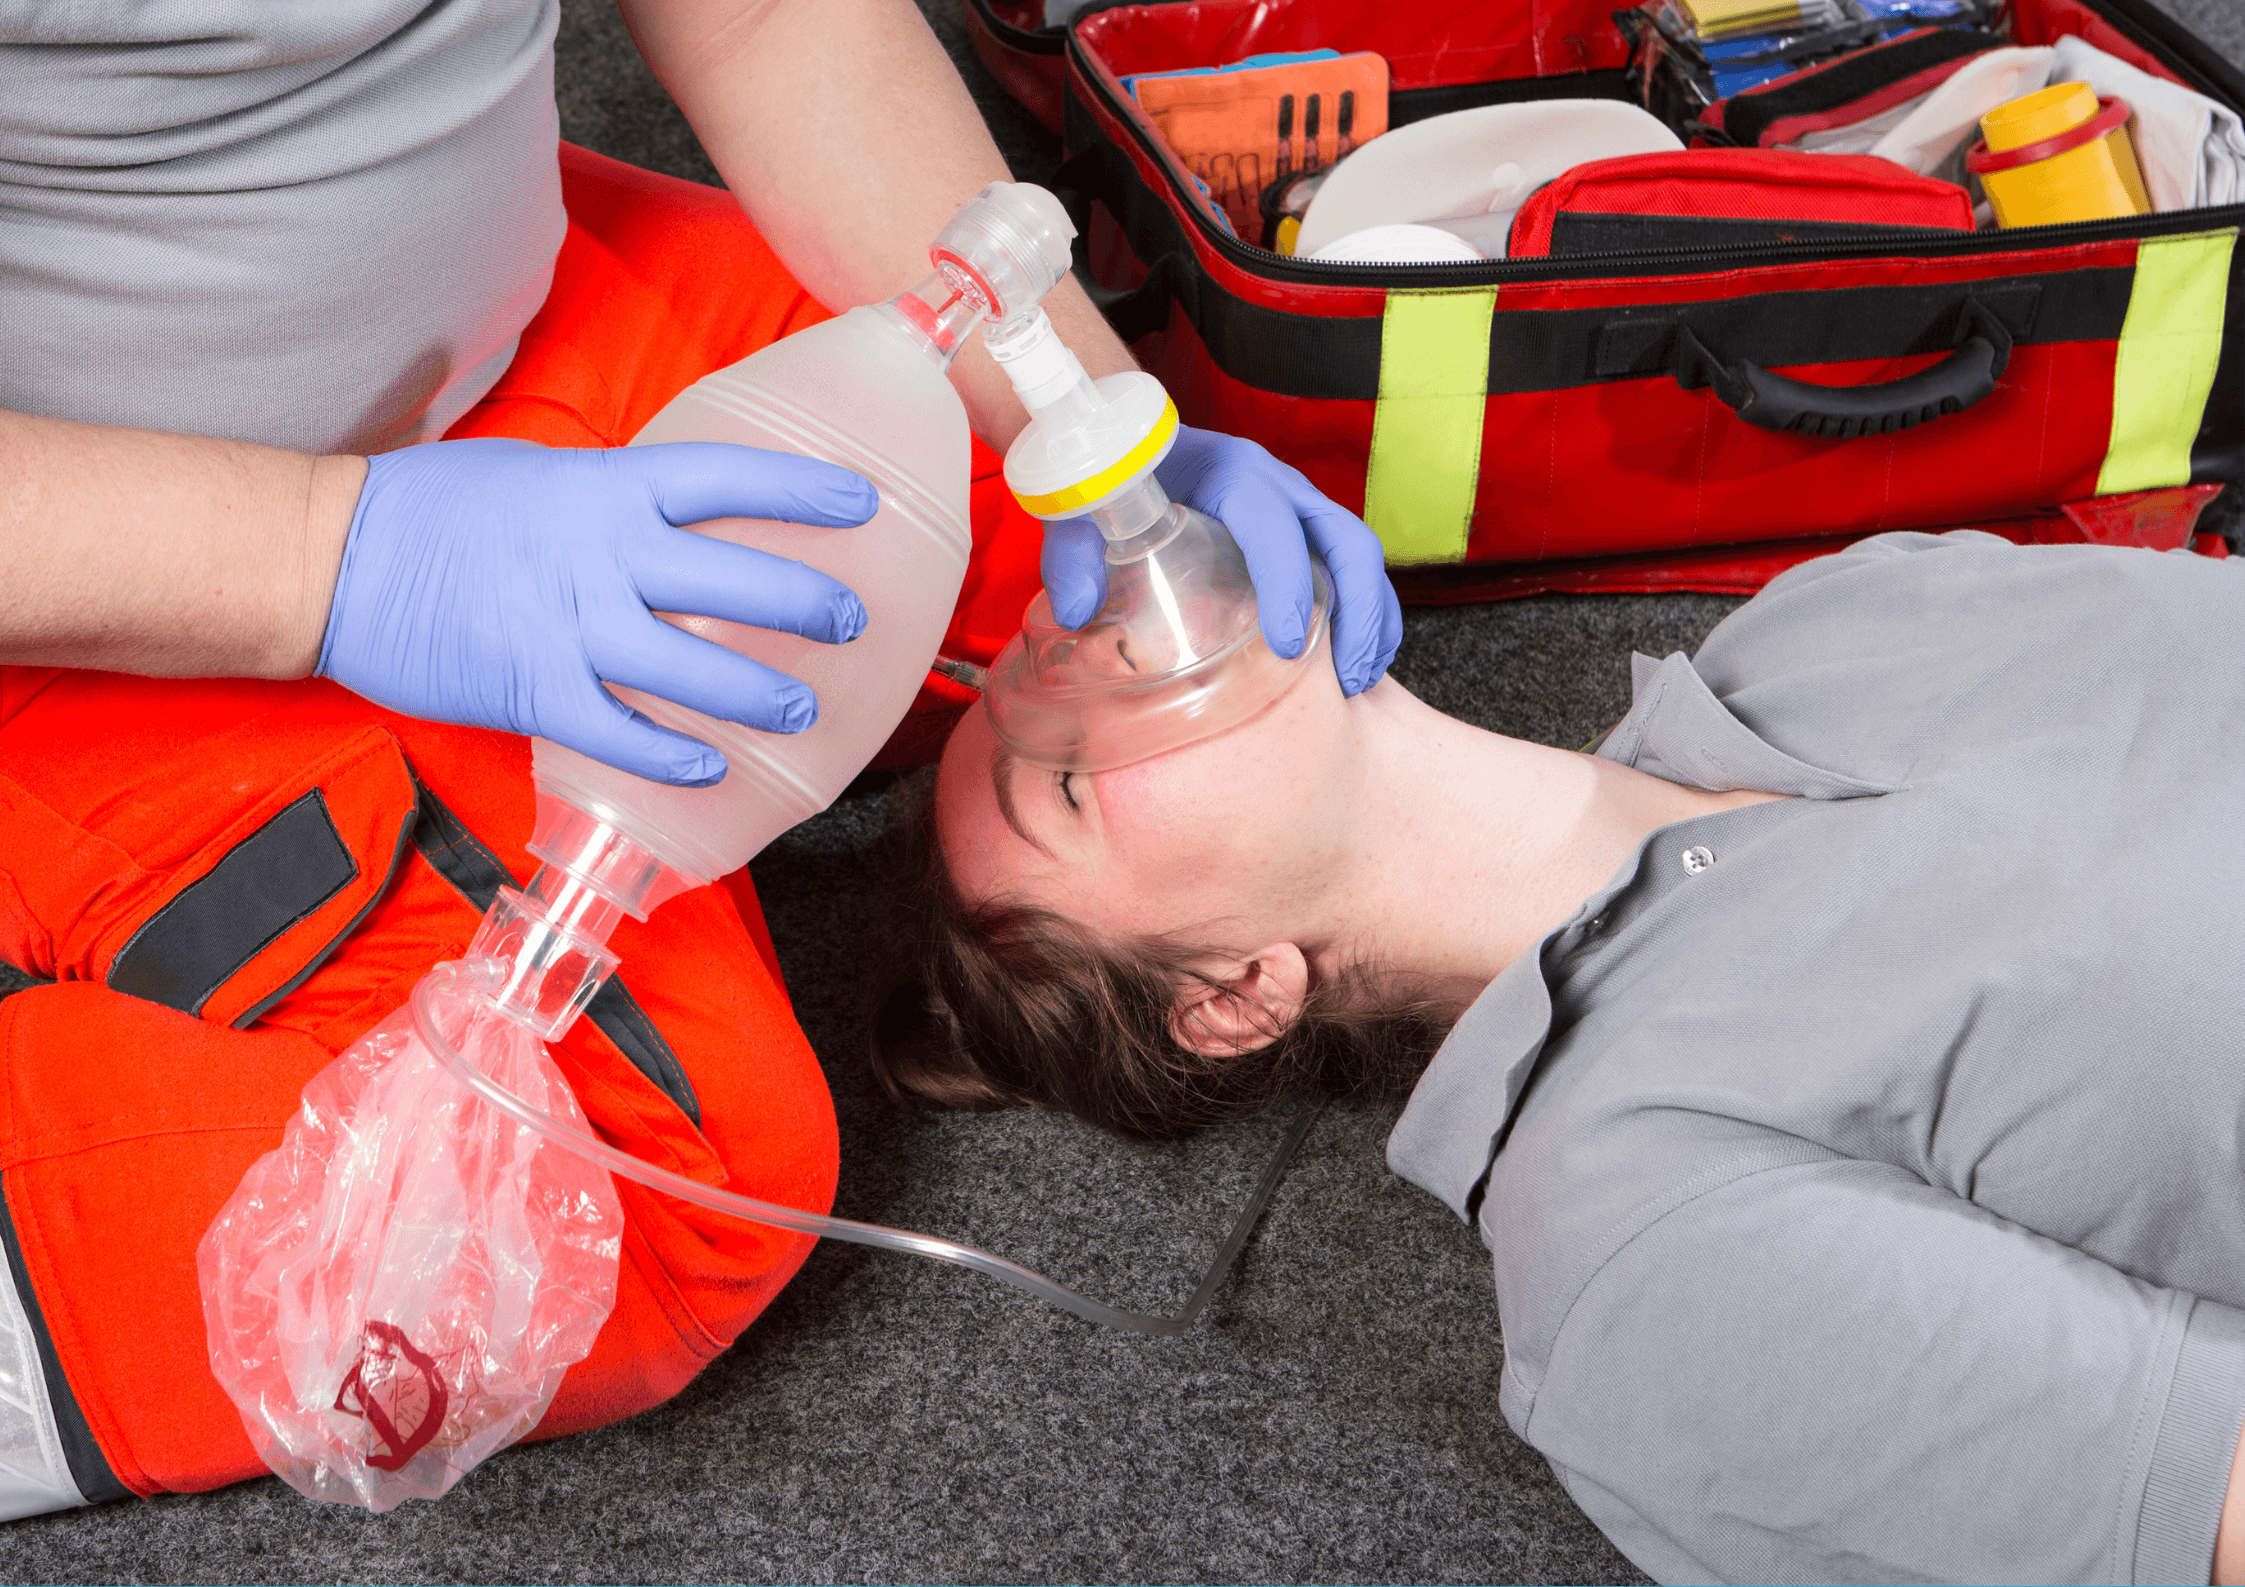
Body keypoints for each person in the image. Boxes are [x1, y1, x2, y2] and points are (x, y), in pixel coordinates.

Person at [0, 0, 1401, 1517]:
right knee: (601, 1194)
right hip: (101, 562)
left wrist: (1075, 402)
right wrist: (329, 566)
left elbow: (759, 18)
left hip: (492, 310)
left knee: (1077, 555)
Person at [891, 528, 2245, 1586]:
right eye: (1064, 778)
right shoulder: (1642, 1248)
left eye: (1051, 643)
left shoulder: (1832, 620)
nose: (1098, 646)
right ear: (1235, 993)